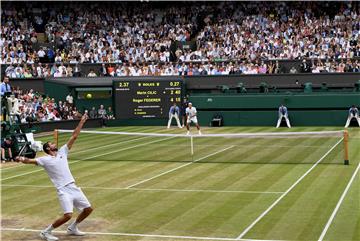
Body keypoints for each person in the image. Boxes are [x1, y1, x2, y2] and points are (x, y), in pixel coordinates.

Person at [15, 114, 93, 241]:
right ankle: (46, 232)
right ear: (48, 148)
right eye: (51, 143)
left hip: (73, 187)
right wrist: (21, 159)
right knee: (68, 215)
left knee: (88, 209)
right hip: (63, 190)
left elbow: (74, 136)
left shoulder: (63, 151)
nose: (53, 143)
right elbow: (29, 161)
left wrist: (82, 122)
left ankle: (73, 228)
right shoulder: (44, 159)